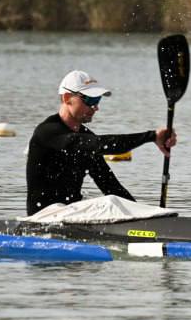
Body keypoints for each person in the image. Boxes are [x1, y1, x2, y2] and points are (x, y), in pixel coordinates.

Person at [26, 70, 176, 215]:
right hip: (42, 217)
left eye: (97, 100)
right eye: (90, 100)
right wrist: (151, 136)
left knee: (115, 200)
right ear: (67, 98)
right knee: (110, 202)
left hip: (68, 217)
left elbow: (110, 186)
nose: (96, 107)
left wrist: (143, 214)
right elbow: (101, 144)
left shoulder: (86, 138)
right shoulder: (47, 132)